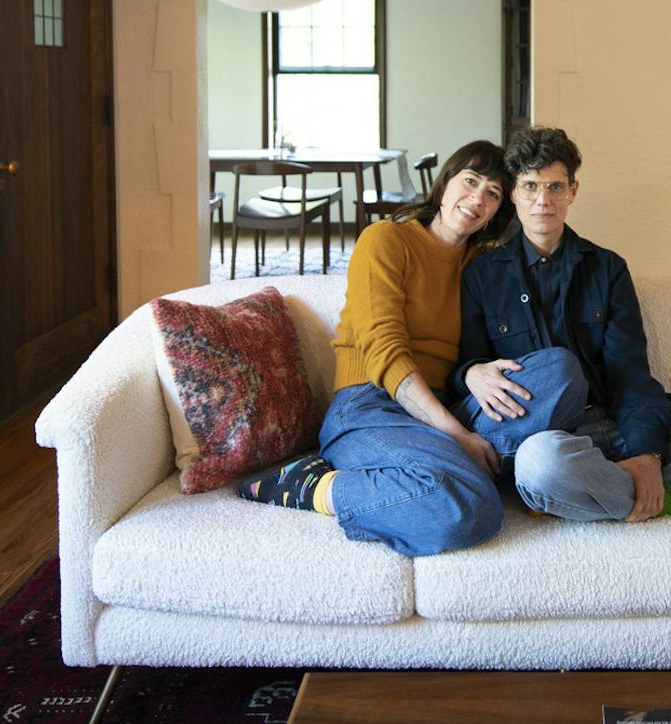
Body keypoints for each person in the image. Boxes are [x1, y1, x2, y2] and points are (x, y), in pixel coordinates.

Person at [238, 140, 563, 556]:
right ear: (445, 183)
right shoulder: (386, 240)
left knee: (559, 369)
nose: (477, 198)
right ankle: (315, 486)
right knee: (469, 507)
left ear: (498, 211)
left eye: (494, 193)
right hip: (370, 406)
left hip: (447, 405)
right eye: (470, 181)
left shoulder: (481, 267)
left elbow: (501, 344)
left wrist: (474, 372)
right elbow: (385, 352)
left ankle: (489, 470)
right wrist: (457, 434)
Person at [452, 127, 671, 522]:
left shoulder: (607, 268)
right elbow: (468, 372)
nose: (542, 200)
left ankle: (594, 489)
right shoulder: (481, 275)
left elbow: (630, 371)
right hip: (552, 441)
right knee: (539, 464)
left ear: (573, 191)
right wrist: (470, 372)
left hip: (617, 423)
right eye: (530, 186)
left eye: (555, 187)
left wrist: (646, 453)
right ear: (513, 193)